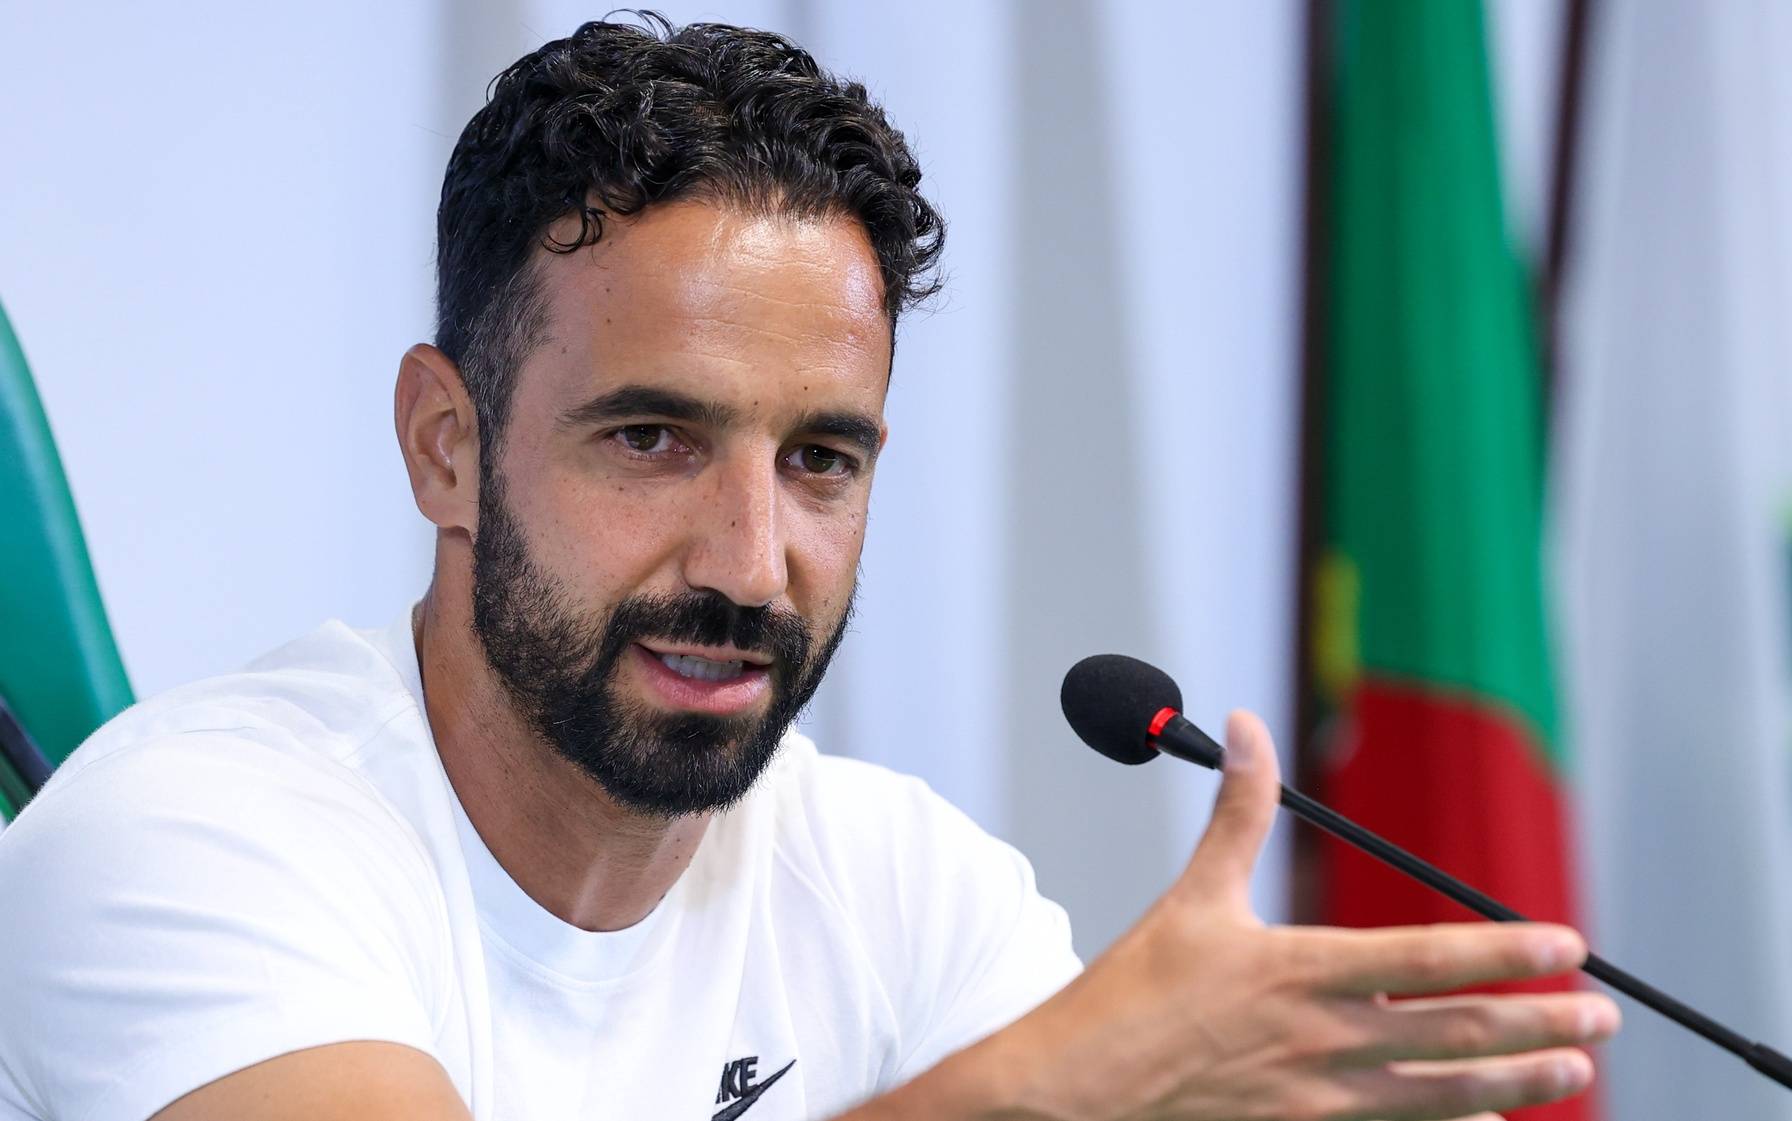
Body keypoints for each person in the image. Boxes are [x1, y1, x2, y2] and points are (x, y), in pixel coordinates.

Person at [0, 16, 1617, 1121]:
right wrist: (1043, 1085)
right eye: (652, 439)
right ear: (446, 443)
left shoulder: (892, 881)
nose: (752, 560)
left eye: (820, 460)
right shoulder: (190, 835)